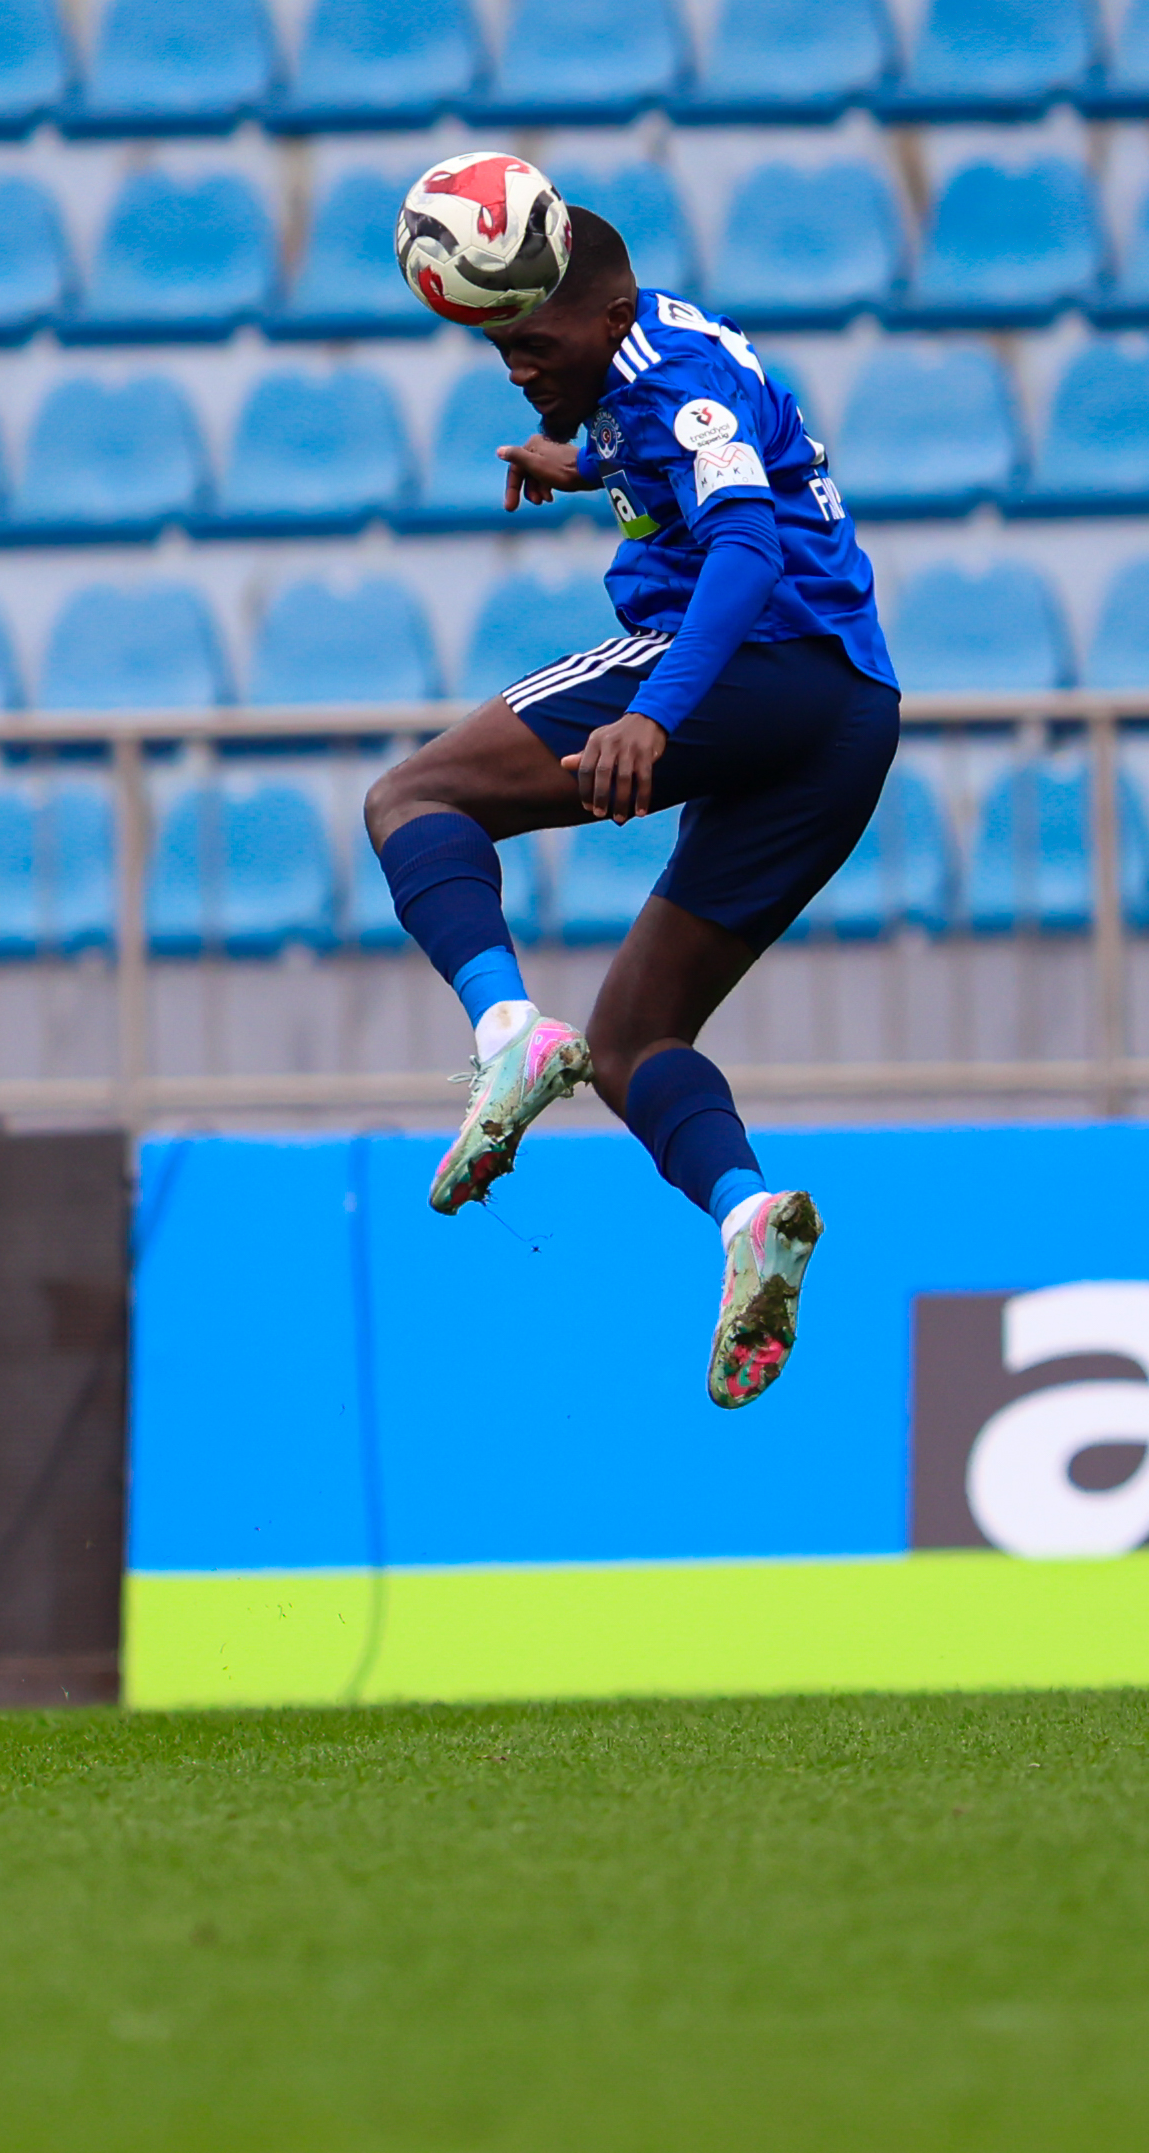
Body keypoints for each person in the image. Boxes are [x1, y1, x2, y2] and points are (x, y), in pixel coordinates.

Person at [365, 205, 900, 1410]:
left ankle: (508, 1033)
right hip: (847, 719)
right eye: (500, 344)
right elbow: (680, 445)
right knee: (634, 1040)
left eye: (531, 342)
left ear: (606, 317)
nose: (516, 366)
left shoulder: (674, 378)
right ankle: (750, 1217)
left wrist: (654, 712)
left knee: (413, 795)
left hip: (761, 660)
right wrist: (584, 461)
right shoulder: (648, 351)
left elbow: (746, 546)